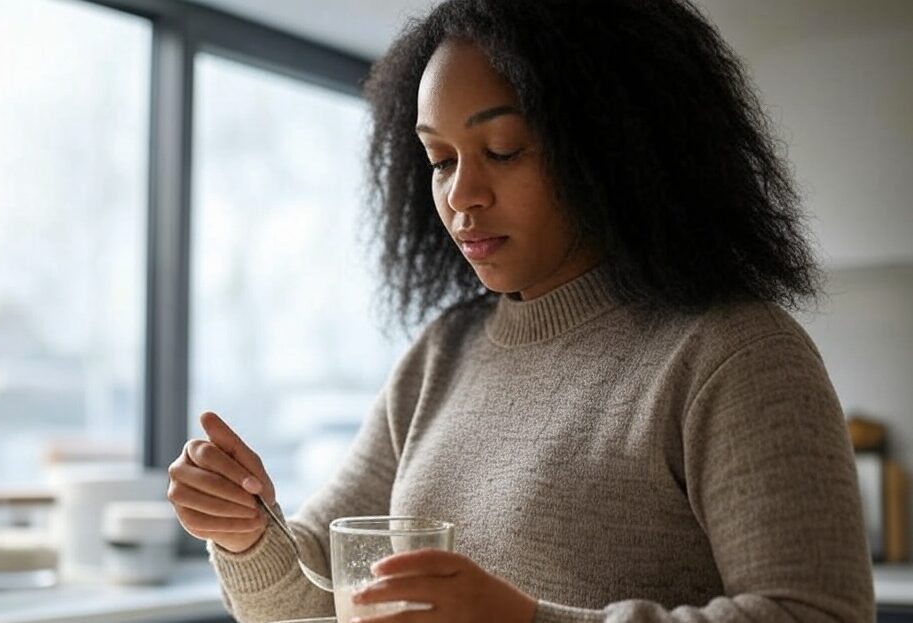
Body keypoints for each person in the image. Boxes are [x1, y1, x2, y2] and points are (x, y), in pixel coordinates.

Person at [167, 0, 874, 621]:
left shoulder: (732, 353)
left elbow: (816, 613)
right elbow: (317, 592)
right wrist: (244, 532)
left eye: (501, 149)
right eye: (440, 160)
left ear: (612, 147)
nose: (461, 195)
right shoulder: (444, 352)